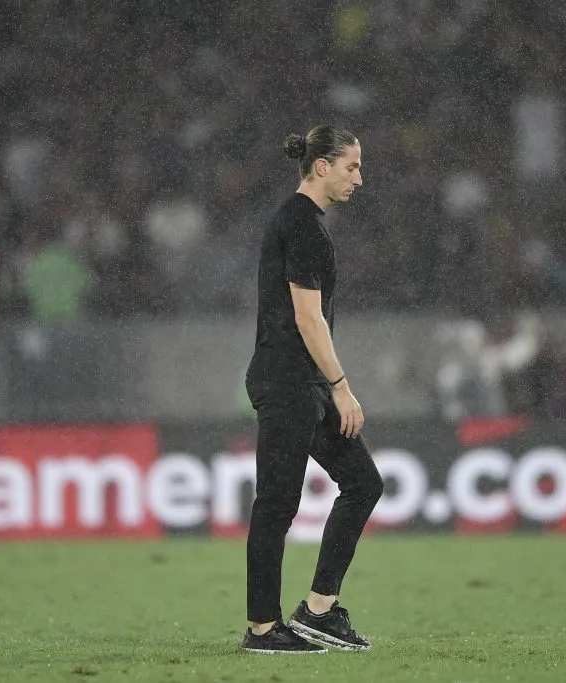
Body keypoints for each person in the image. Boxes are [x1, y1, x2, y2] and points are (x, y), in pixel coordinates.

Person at [240, 125, 384, 654]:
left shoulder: (303, 224)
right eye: (352, 167)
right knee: (277, 503)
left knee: (364, 483)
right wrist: (342, 387)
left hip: (303, 382)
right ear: (321, 166)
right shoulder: (301, 224)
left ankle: (318, 610)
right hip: (289, 381)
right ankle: (261, 629)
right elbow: (308, 317)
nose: (359, 178)